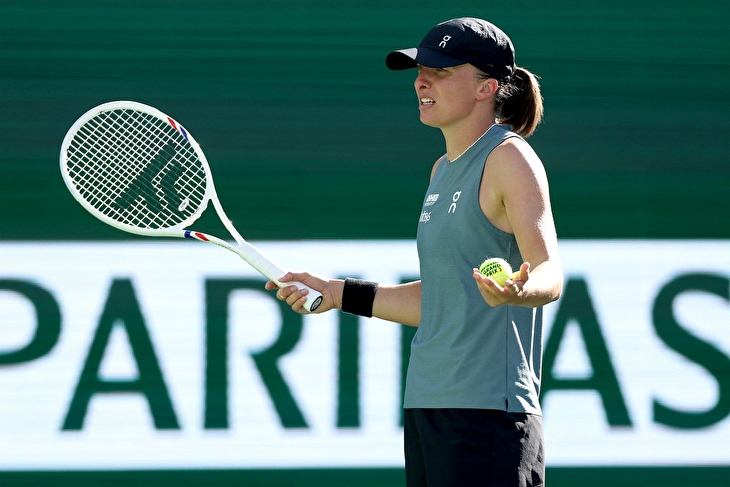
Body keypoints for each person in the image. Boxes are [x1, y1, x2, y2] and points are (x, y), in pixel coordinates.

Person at [267, 17, 563, 487]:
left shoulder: (510, 157)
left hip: (489, 412)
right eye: (421, 70)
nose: (422, 81)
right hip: (428, 406)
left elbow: (549, 271)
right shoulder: (441, 170)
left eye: (441, 71)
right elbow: (442, 299)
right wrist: (337, 292)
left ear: (487, 87)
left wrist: (520, 290)